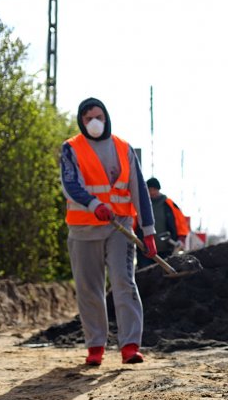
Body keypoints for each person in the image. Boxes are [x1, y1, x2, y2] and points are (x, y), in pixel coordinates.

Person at [60, 97, 157, 366]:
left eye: (99, 117)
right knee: (88, 289)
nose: (94, 122)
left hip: (120, 228)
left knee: (124, 282)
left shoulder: (124, 148)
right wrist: (93, 204)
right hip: (83, 229)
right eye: (88, 117)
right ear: (81, 120)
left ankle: (130, 345)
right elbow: (70, 184)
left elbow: (139, 191)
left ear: (107, 118)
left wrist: (148, 232)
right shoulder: (71, 148)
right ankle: (95, 346)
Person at [136, 177, 190, 269]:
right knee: (144, 275)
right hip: (144, 251)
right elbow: (133, 222)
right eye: (150, 190)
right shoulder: (141, 204)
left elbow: (181, 223)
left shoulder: (169, 204)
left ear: (158, 189)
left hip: (166, 251)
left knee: (164, 276)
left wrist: (181, 239)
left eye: (154, 189)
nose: (152, 192)